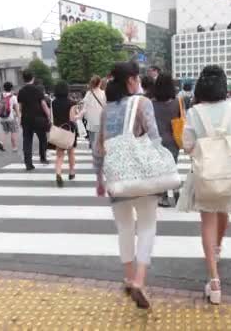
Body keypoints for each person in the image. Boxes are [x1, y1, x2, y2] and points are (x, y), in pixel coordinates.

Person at [94, 61, 161, 310]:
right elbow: (154, 137)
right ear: (132, 81)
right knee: (147, 226)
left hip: (115, 175)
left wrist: (99, 178)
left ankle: (129, 277)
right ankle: (140, 281)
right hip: (141, 175)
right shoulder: (143, 103)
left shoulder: (106, 109)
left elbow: (98, 146)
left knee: (124, 227)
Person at [182, 65, 231, 305]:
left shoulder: (194, 112)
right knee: (223, 211)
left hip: (206, 174)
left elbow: (187, 144)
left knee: (207, 219)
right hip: (230, 173)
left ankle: (214, 281)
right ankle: (217, 249)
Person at [152, 73, 182, 207]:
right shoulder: (177, 102)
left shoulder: (150, 104)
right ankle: (175, 190)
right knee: (171, 167)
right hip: (173, 140)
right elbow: (182, 119)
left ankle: (162, 197)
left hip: (156, 141)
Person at [18, 70, 51, 171]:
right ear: (32, 78)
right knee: (42, 138)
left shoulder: (21, 91)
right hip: (38, 118)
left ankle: (28, 163)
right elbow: (43, 104)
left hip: (26, 119)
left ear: (23, 79)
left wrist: (20, 118)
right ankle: (43, 157)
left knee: (27, 141)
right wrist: (49, 115)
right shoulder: (37, 90)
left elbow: (20, 107)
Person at [52, 81, 81, 187]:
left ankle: (58, 173)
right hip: (69, 131)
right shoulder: (72, 103)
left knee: (59, 155)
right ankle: (71, 172)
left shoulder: (53, 103)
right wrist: (80, 114)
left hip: (58, 129)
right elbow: (72, 119)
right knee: (71, 153)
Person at [83, 75, 107, 149]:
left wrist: (85, 117)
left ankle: (95, 156)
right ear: (100, 83)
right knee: (101, 142)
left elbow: (84, 108)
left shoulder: (88, 94)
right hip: (101, 121)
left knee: (93, 142)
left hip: (91, 122)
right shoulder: (103, 93)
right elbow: (106, 106)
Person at [0, 82, 20, 152]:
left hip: (2, 117)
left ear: (4, 88)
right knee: (13, 131)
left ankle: (1, 142)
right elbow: (16, 108)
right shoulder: (13, 97)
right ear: (11, 88)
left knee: (5, 131)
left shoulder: (0, 96)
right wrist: (19, 117)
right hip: (10, 117)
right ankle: (14, 147)